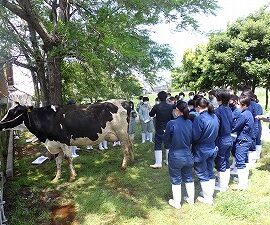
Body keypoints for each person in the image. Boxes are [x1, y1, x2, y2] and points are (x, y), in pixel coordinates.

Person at [163, 100, 194, 209]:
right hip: (188, 154)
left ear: (177, 110)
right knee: (189, 177)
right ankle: (191, 199)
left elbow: (165, 140)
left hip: (175, 155)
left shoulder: (171, 123)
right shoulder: (190, 122)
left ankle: (177, 202)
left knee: (176, 179)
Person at [192, 97, 219, 204]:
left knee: (202, 174)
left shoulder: (200, 119)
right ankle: (209, 194)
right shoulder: (214, 116)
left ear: (198, 107)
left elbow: (195, 136)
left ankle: (208, 198)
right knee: (210, 171)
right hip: (212, 147)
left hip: (201, 149)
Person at [232, 95, 254, 190]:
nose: (237, 106)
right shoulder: (248, 113)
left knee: (240, 161)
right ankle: (243, 181)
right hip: (247, 139)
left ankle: (242, 185)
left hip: (242, 140)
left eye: (238, 104)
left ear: (243, 105)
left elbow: (235, 127)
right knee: (244, 160)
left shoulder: (243, 115)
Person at [214, 90, 233, 192]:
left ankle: (222, 186)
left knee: (220, 162)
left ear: (219, 99)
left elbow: (216, 126)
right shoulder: (229, 109)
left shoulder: (218, 111)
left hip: (221, 139)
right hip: (229, 138)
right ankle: (225, 184)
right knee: (226, 160)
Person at [149, 91, 174, 168]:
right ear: (166, 97)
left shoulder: (156, 106)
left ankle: (158, 163)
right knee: (168, 144)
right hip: (168, 128)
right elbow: (173, 117)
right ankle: (168, 161)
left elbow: (151, 114)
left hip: (159, 128)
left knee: (158, 144)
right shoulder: (171, 106)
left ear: (158, 98)